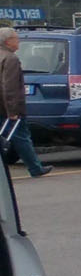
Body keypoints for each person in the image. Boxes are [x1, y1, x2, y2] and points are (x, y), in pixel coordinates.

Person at [0, 29, 47, 178]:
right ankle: (35, 168)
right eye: (16, 38)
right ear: (8, 41)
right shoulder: (10, 58)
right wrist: (13, 111)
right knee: (21, 136)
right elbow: (10, 86)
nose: (18, 41)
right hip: (7, 107)